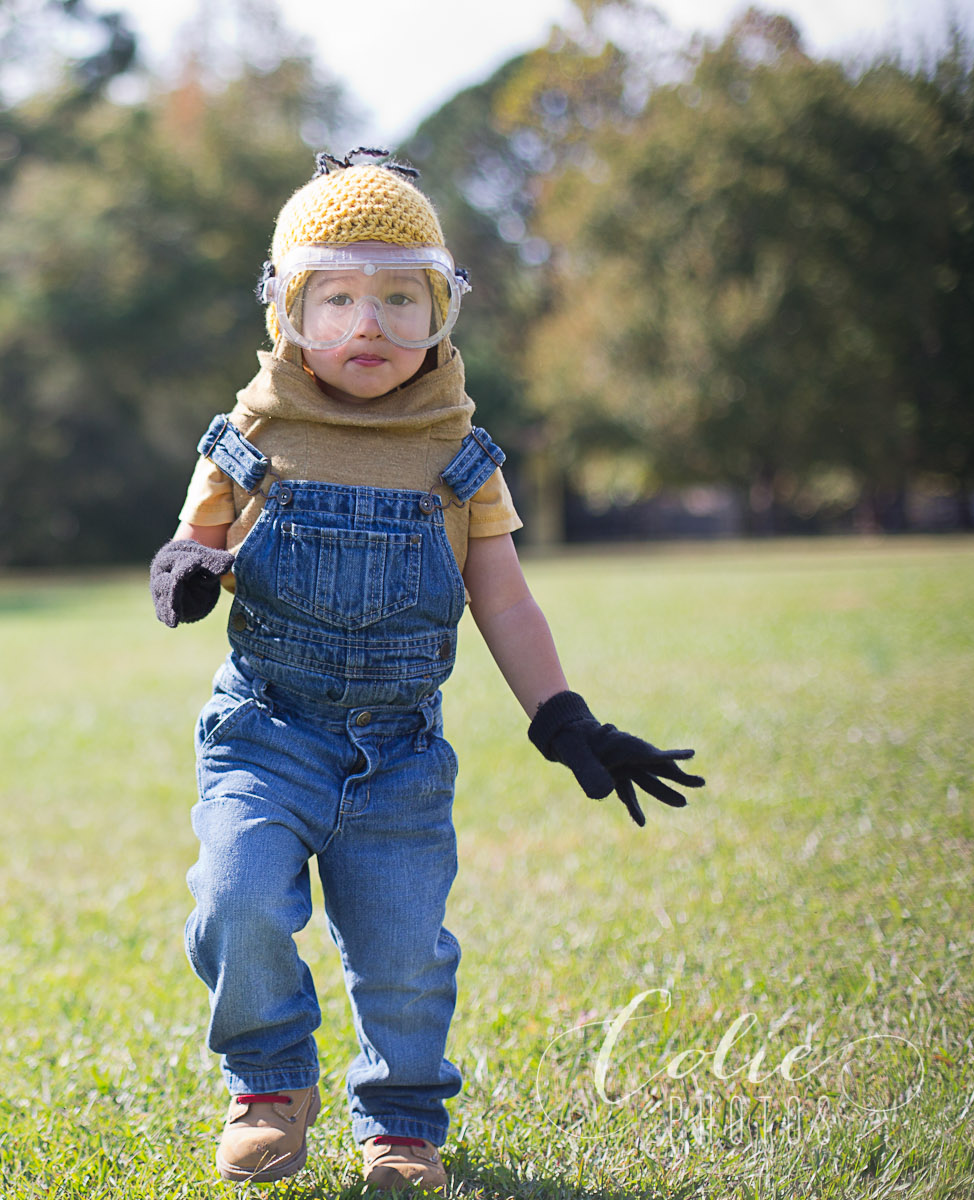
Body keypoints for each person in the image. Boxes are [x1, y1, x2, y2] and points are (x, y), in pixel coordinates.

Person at [148, 149, 705, 1192]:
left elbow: (502, 594)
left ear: (442, 311)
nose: (370, 325)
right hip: (267, 731)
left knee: (404, 955)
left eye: (402, 299)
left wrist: (563, 715)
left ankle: (400, 1123)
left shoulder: (459, 452)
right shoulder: (253, 433)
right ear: (288, 313)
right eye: (340, 298)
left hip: (400, 751)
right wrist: (186, 566)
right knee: (235, 902)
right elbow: (195, 535)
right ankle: (271, 1081)